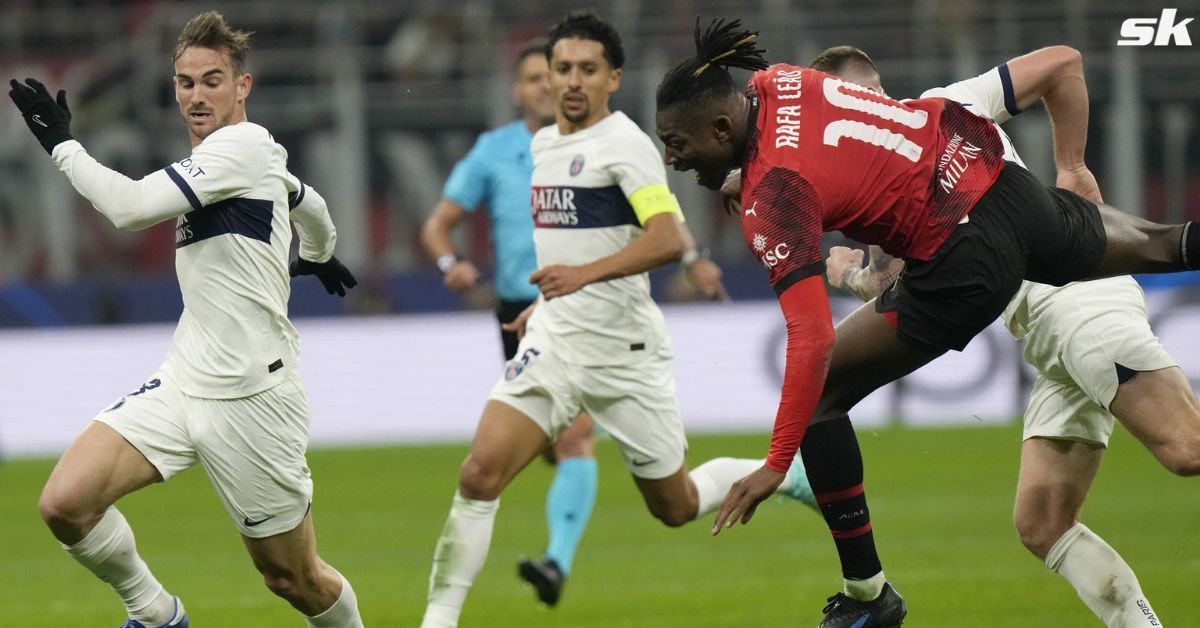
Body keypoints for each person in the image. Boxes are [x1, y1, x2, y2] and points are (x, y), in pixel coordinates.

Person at [654, 18, 1200, 628]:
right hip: (1001, 187)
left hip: (982, 270)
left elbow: (810, 340)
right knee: (1165, 245)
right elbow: (798, 144)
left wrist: (777, 464)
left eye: (676, 143)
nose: (672, 159)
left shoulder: (774, 197)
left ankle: (868, 596)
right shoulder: (782, 82)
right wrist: (1070, 166)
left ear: (723, 126)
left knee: (821, 391)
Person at [419, 11, 809, 627]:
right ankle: (437, 620)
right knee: (479, 473)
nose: (572, 81)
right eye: (563, 68)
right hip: (554, 342)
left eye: (588, 70)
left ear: (613, 78)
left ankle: (787, 477)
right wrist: (550, 303)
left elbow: (664, 236)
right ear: (548, 75)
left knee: (675, 506)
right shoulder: (544, 145)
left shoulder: (624, 145)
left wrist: (580, 279)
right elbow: (568, 246)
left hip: (624, 352)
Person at [811, 44, 1196, 627]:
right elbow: (1063, 65)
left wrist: (846, 275)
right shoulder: (948, 106)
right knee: (1042, 524)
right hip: (1049, 335)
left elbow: (890, 286)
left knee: (1186, 448)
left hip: (1078, 308)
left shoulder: (886, 158)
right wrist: (1070, 164)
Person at [8, 11, 363, 628]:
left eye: (212, 81)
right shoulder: (251, 158)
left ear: (243, 87)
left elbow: (131, 209)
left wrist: (62, 144)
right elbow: (310, 201)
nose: (196, 96)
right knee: (66, 504)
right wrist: (320, 253)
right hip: (185, 377)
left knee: (294, 579)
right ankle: (156, 615)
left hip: (253, 394)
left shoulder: (243, 146)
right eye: (184, 82)